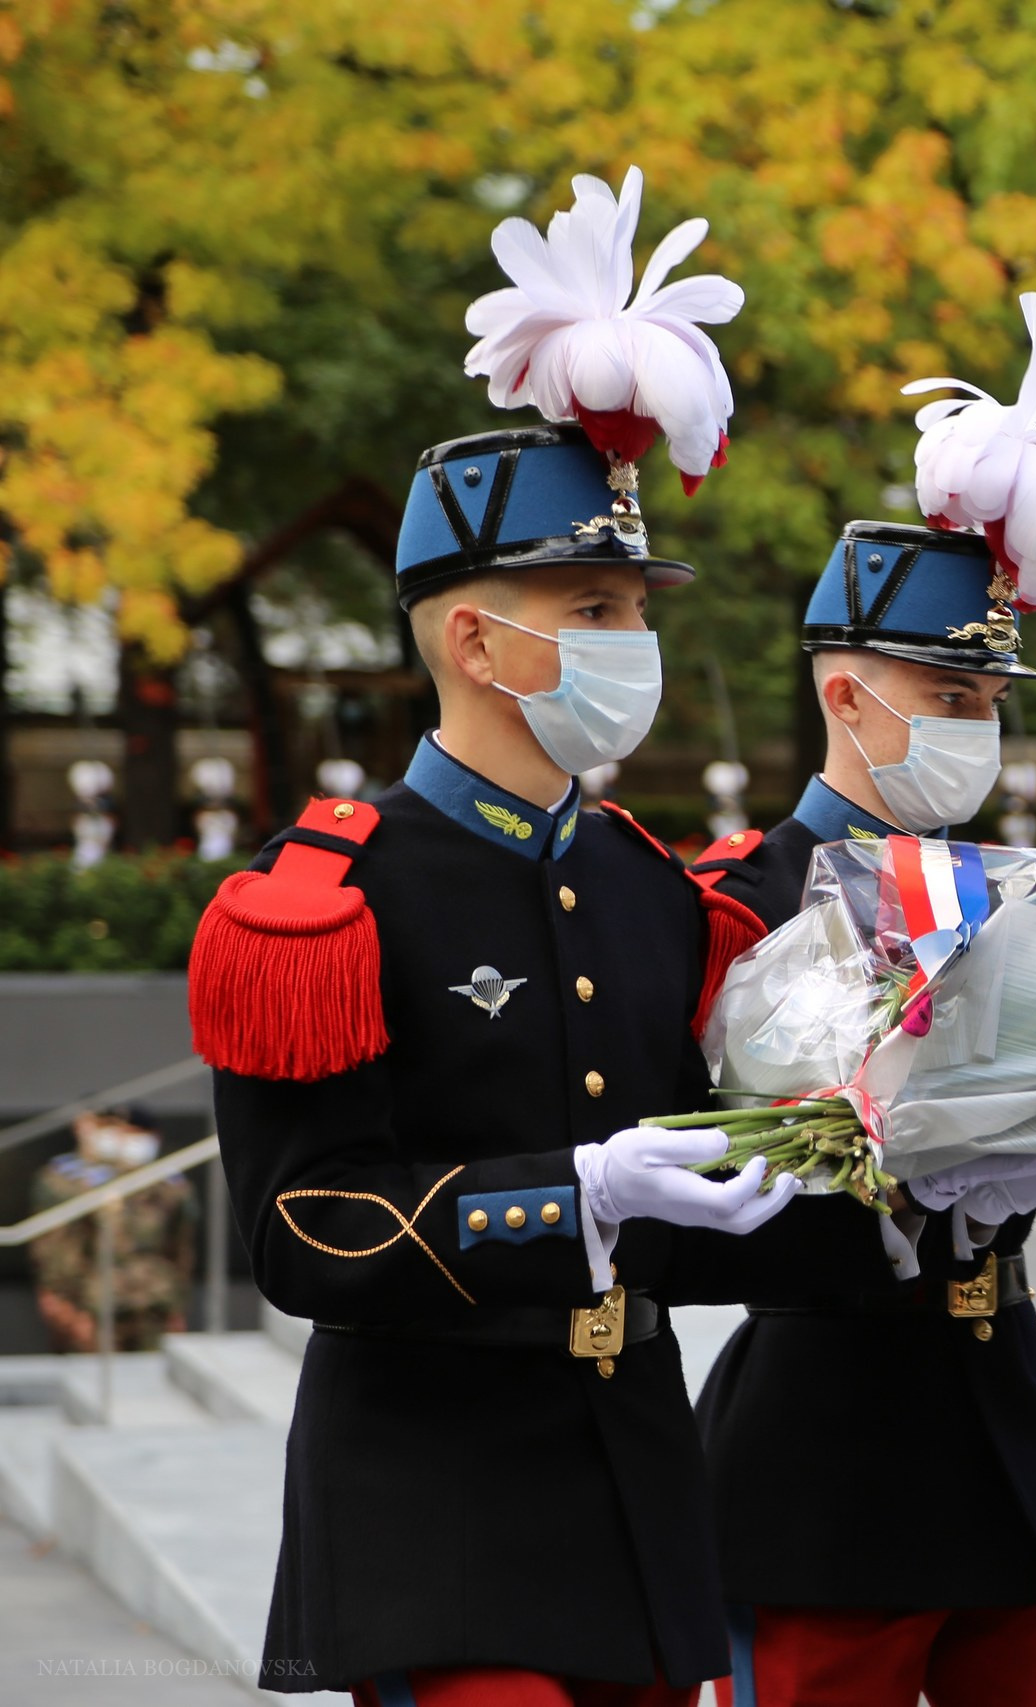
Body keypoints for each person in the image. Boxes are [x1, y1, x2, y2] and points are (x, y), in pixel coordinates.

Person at [191, 168, 903, 1705]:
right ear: (472, 634)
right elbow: (301, 1229)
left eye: (636, 604)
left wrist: (913, 1185)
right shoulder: (325, 896)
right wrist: (565, 1196)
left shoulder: (655, 888)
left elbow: (706, 1218)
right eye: (591, 603)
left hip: (638, 1499)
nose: (629, 639)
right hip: (431, 1516)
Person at [687, 293, 1036, 1707]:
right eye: (942, 687)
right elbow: (702, 1185)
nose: (974, 719)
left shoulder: (1015, 897)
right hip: (822, 1454)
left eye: (988, 691)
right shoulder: (731, 901)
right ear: (845, 691)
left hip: (1005, 1420)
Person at [30, 1109, 198, 1352]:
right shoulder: (72, 1180)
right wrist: (64, 1303)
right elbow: (59, 1248)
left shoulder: (167, 1183)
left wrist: (177, 1303)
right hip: (97, 1301)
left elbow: (179, 1245)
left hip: (154, 1299)